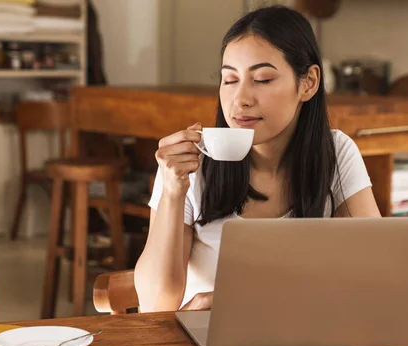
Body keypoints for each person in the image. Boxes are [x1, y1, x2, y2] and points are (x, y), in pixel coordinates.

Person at [134, 5, 381, 313]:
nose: (240, 99)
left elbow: (375, 279)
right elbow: (155, 306)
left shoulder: (335, 154)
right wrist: (172, 190)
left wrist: (242, 300)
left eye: (262, 79)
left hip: (300, 342)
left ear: (308, 83)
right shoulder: (189, 166)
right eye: (229, 79)